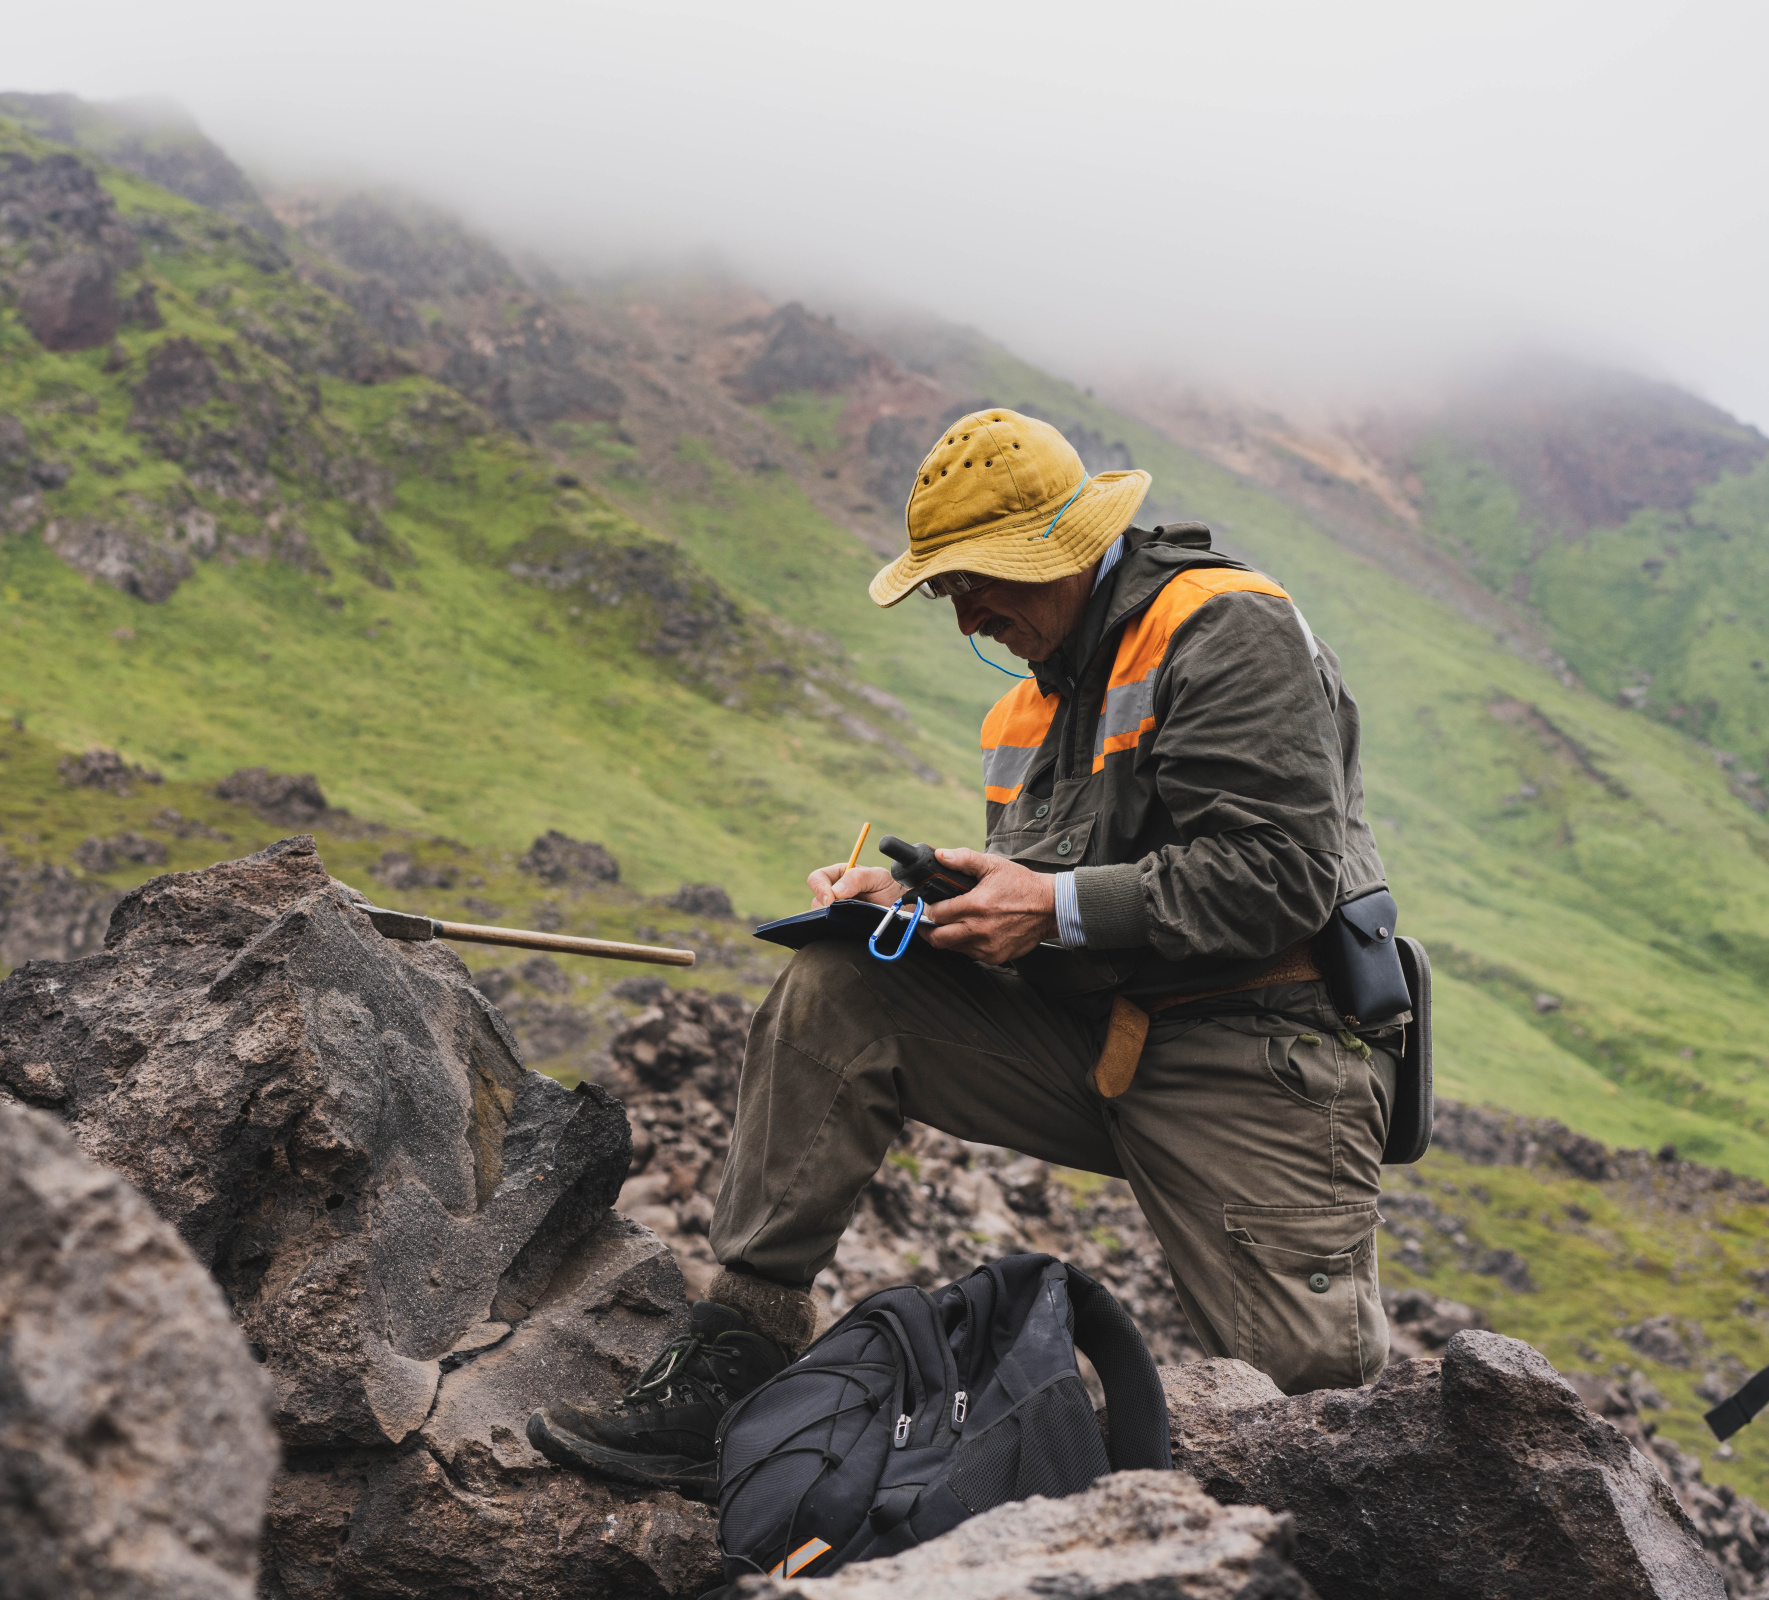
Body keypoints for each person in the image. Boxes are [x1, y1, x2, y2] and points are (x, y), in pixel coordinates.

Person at [529, 408, 1398, 1497]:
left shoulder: (1224, 626)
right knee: (843, 985)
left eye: (982, 579)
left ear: (1068, 542)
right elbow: (1041, 909)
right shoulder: (1018, 714)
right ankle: (734, 1354)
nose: (965, 614)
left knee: (1317, 1431)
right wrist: (924, 907)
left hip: (1261, 1059)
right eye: (947, 590)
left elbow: (1281, 877)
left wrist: (1054, 906)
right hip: (1095, 1040)